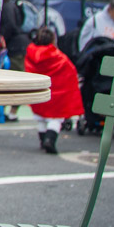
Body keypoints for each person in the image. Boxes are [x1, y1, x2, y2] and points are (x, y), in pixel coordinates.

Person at [24, 26, 83, 154]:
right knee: (56, 119)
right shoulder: (57, 56)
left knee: (40, 117)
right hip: (57, 95)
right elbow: (70, 71)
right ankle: (50, 140)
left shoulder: (30, 54)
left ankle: (42, 139)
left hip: (38, 92)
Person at [0, 0, 29, 121]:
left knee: (16, 81)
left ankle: (12, 112)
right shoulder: (12, 5)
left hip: (15, 47)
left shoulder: (7, 6)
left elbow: (9, 25)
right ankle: (8, 111)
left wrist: (1, 38)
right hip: (18, 46)